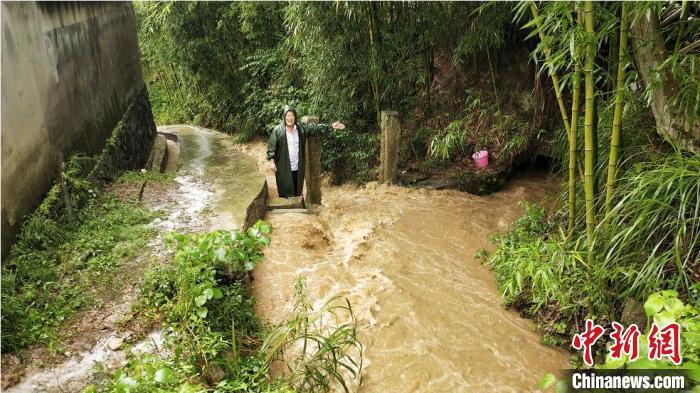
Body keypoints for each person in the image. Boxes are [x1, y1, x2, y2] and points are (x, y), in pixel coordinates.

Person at [267, 107, 345, 198]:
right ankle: (287, 210)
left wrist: (331, 126)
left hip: (297, 166)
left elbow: (315, 128)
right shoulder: (278, 130)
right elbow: (271, 148)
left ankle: (297, 210)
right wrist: (272, 162)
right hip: (283, 167)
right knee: (284, 192)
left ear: (295, 117)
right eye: (287, 116)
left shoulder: (300, 129)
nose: (290, 118)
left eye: (292, 116)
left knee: (297, 192)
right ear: (284, 117)